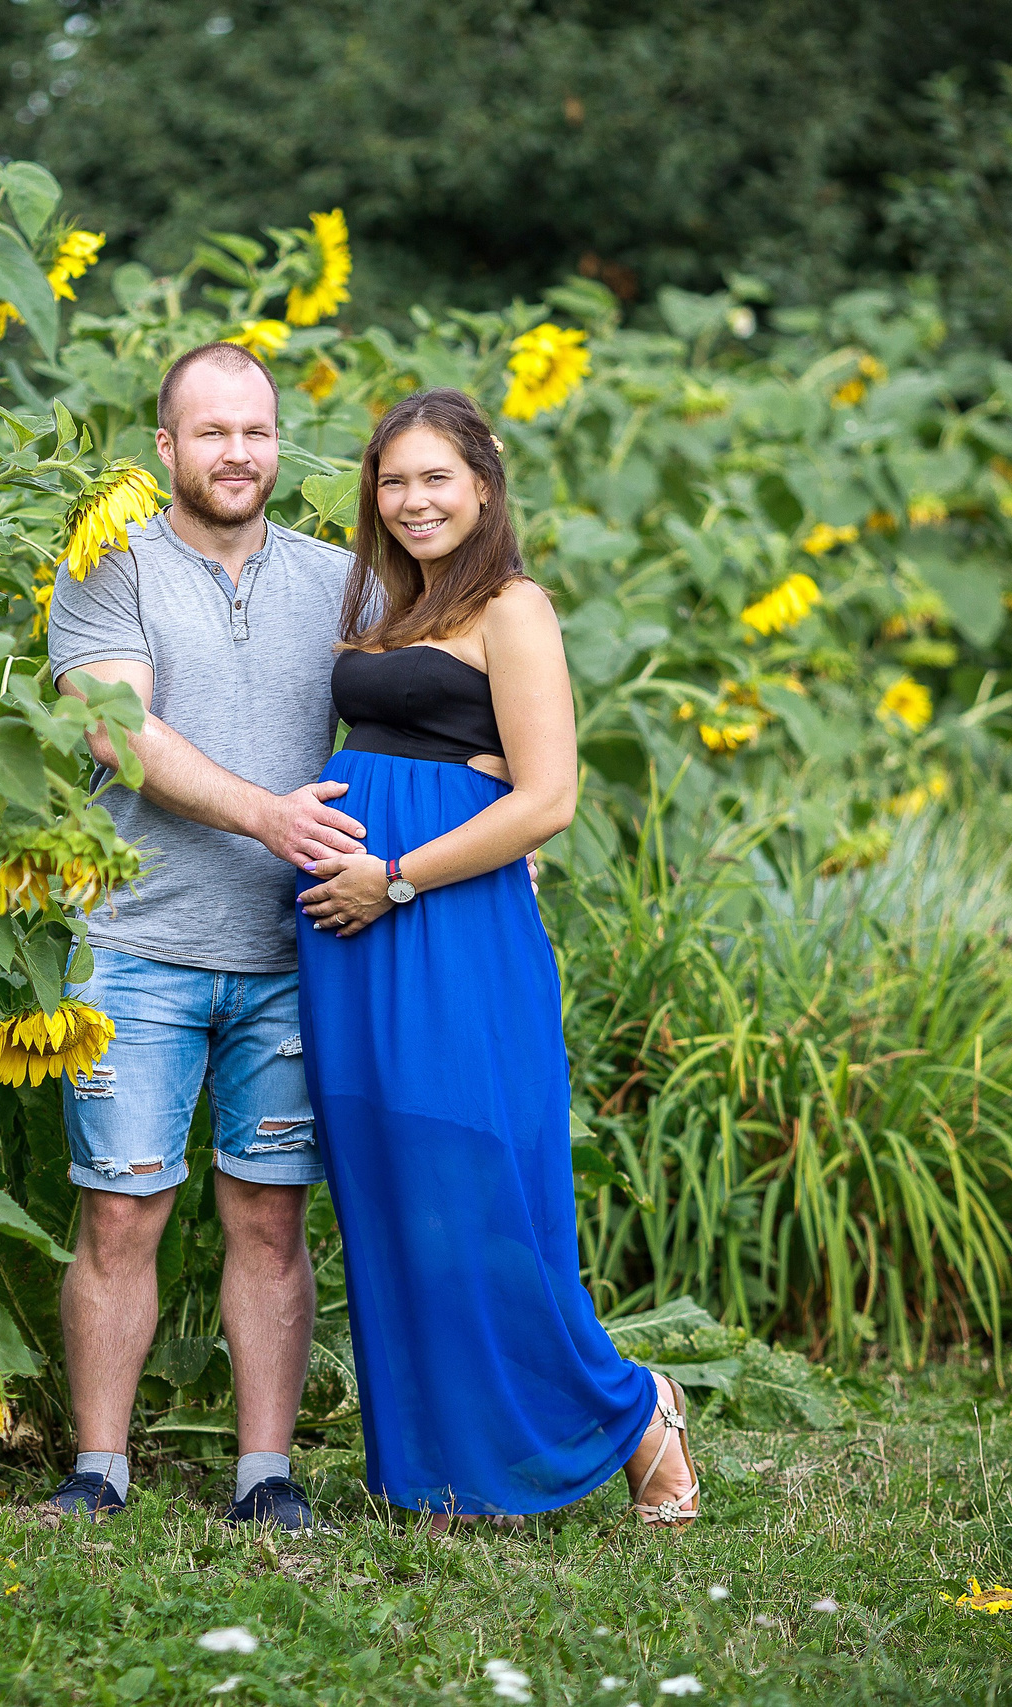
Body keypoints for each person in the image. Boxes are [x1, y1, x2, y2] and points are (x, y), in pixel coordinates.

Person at [291, 386, 701, 1532]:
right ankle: (438, 1470)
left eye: (434, 478)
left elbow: (550, 797)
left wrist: (401, 873)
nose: (412, 500)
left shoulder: (513, 607)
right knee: (390, 1185)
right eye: (392, 481)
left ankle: (631, 1407)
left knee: (477, 1186)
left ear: (483, 482)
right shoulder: (385, 605)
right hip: (349, 934)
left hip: (440, 921)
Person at [41, 341, 361, 1530]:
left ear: (280, 445)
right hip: (135, 941)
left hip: (293, 955)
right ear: (165, 449)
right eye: (212, 433)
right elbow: (116, 729)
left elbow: (433, 709)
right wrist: (268, 814)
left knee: (271, 1218)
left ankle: (264, 1477)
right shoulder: (108, 568)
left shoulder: (340, 584)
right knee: (120, 1211)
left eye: (257, 432)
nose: (238, 454)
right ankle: (97, 1471)